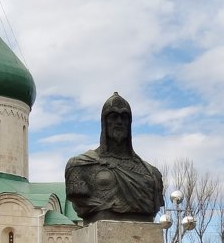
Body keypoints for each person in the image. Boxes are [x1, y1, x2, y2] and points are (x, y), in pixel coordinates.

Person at [65, 92, 165, 224]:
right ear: (104, 122)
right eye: (113, 116)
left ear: (129, 123)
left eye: (124, 117)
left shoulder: (152, 174)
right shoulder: (80, 166)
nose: (119, 122)